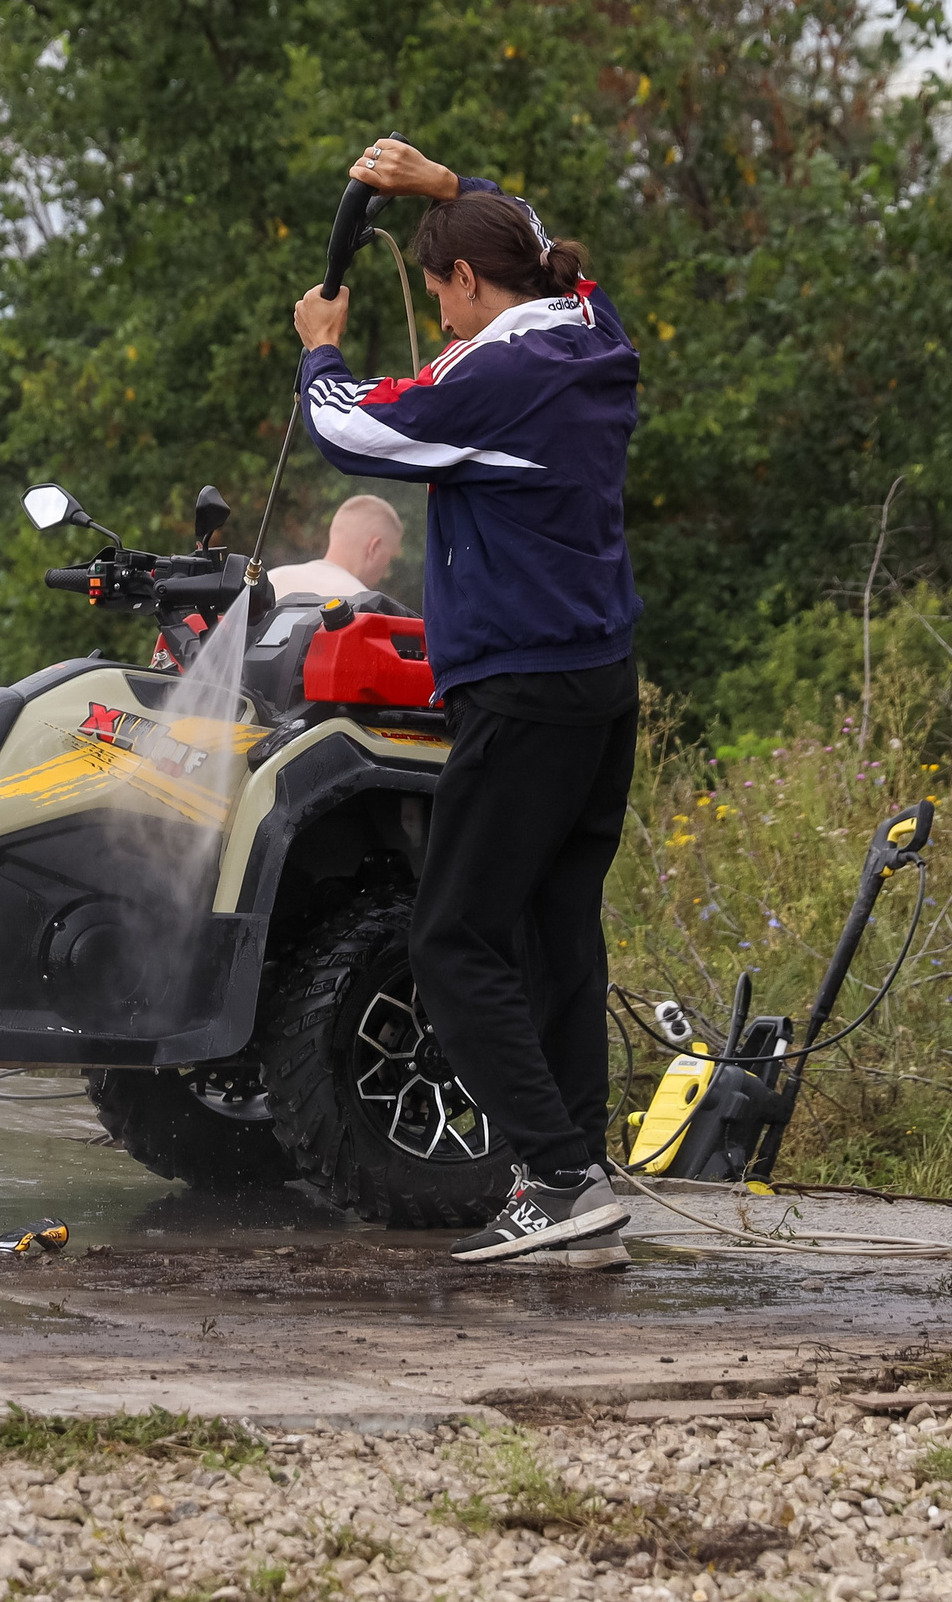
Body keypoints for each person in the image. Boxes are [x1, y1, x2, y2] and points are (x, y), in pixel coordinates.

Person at [291, 136, 643, 1268]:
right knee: (552, 930)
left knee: (451, 940)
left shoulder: (492, 378)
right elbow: (537, 242)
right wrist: (453, 193)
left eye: (444, 296)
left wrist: (319, 351)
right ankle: (572, 1183)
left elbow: (353, 427)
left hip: (523, 688)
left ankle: (549, 1171)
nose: (439, 319)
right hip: (598, 684)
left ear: (466, 285)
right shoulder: (593, 334)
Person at [268, 495, 405, 600]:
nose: (386, 573)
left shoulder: (270, 582)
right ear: (374, 548)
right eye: (389, 559)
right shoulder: (366, 607)